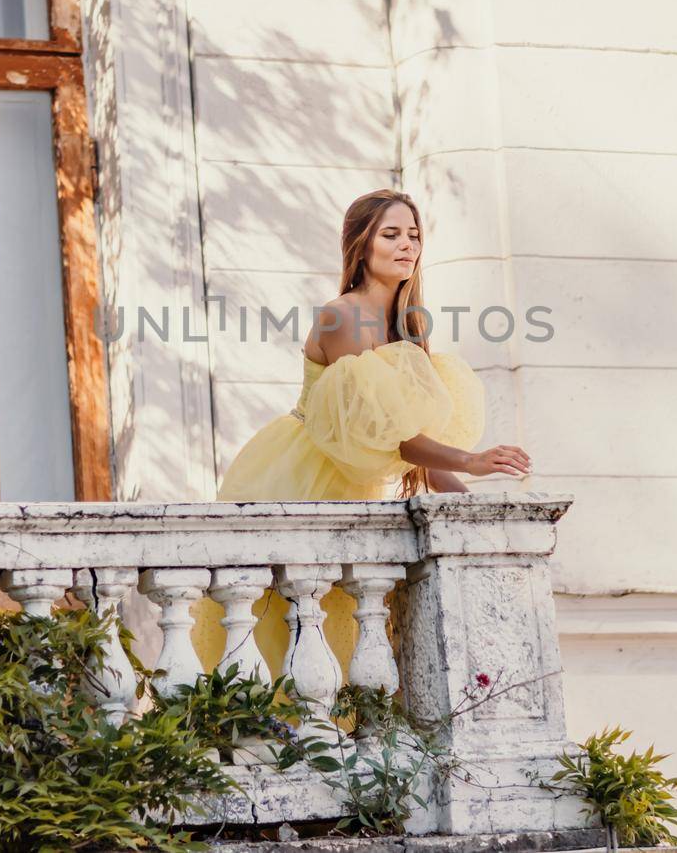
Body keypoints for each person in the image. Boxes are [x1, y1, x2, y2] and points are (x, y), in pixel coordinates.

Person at [190, 188, 533, 677]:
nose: (406, 246)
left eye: (413, 235)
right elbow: (391, 438)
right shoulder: (341, 315)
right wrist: (472, 460)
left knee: (340, 635)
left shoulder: (407, 324)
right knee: (288, 630)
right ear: (361, 247)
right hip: (302, 477)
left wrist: (472, 508)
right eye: (390, 234)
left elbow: (417, 453)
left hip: (352, 482)